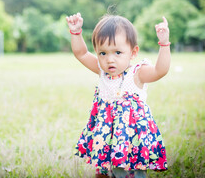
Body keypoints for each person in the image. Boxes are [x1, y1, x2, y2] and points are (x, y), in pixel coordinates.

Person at [66, 12, 170, 178]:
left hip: (130, 140)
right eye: (103, 53)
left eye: (118, 52)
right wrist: (76, 32)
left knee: (128, 174)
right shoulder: (102, 70)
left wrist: (164, 44)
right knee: (102, 172)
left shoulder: (138, 73)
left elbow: (160, 70)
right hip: (105, 138)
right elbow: (81, 54)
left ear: (133, 52)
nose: (110, 60)